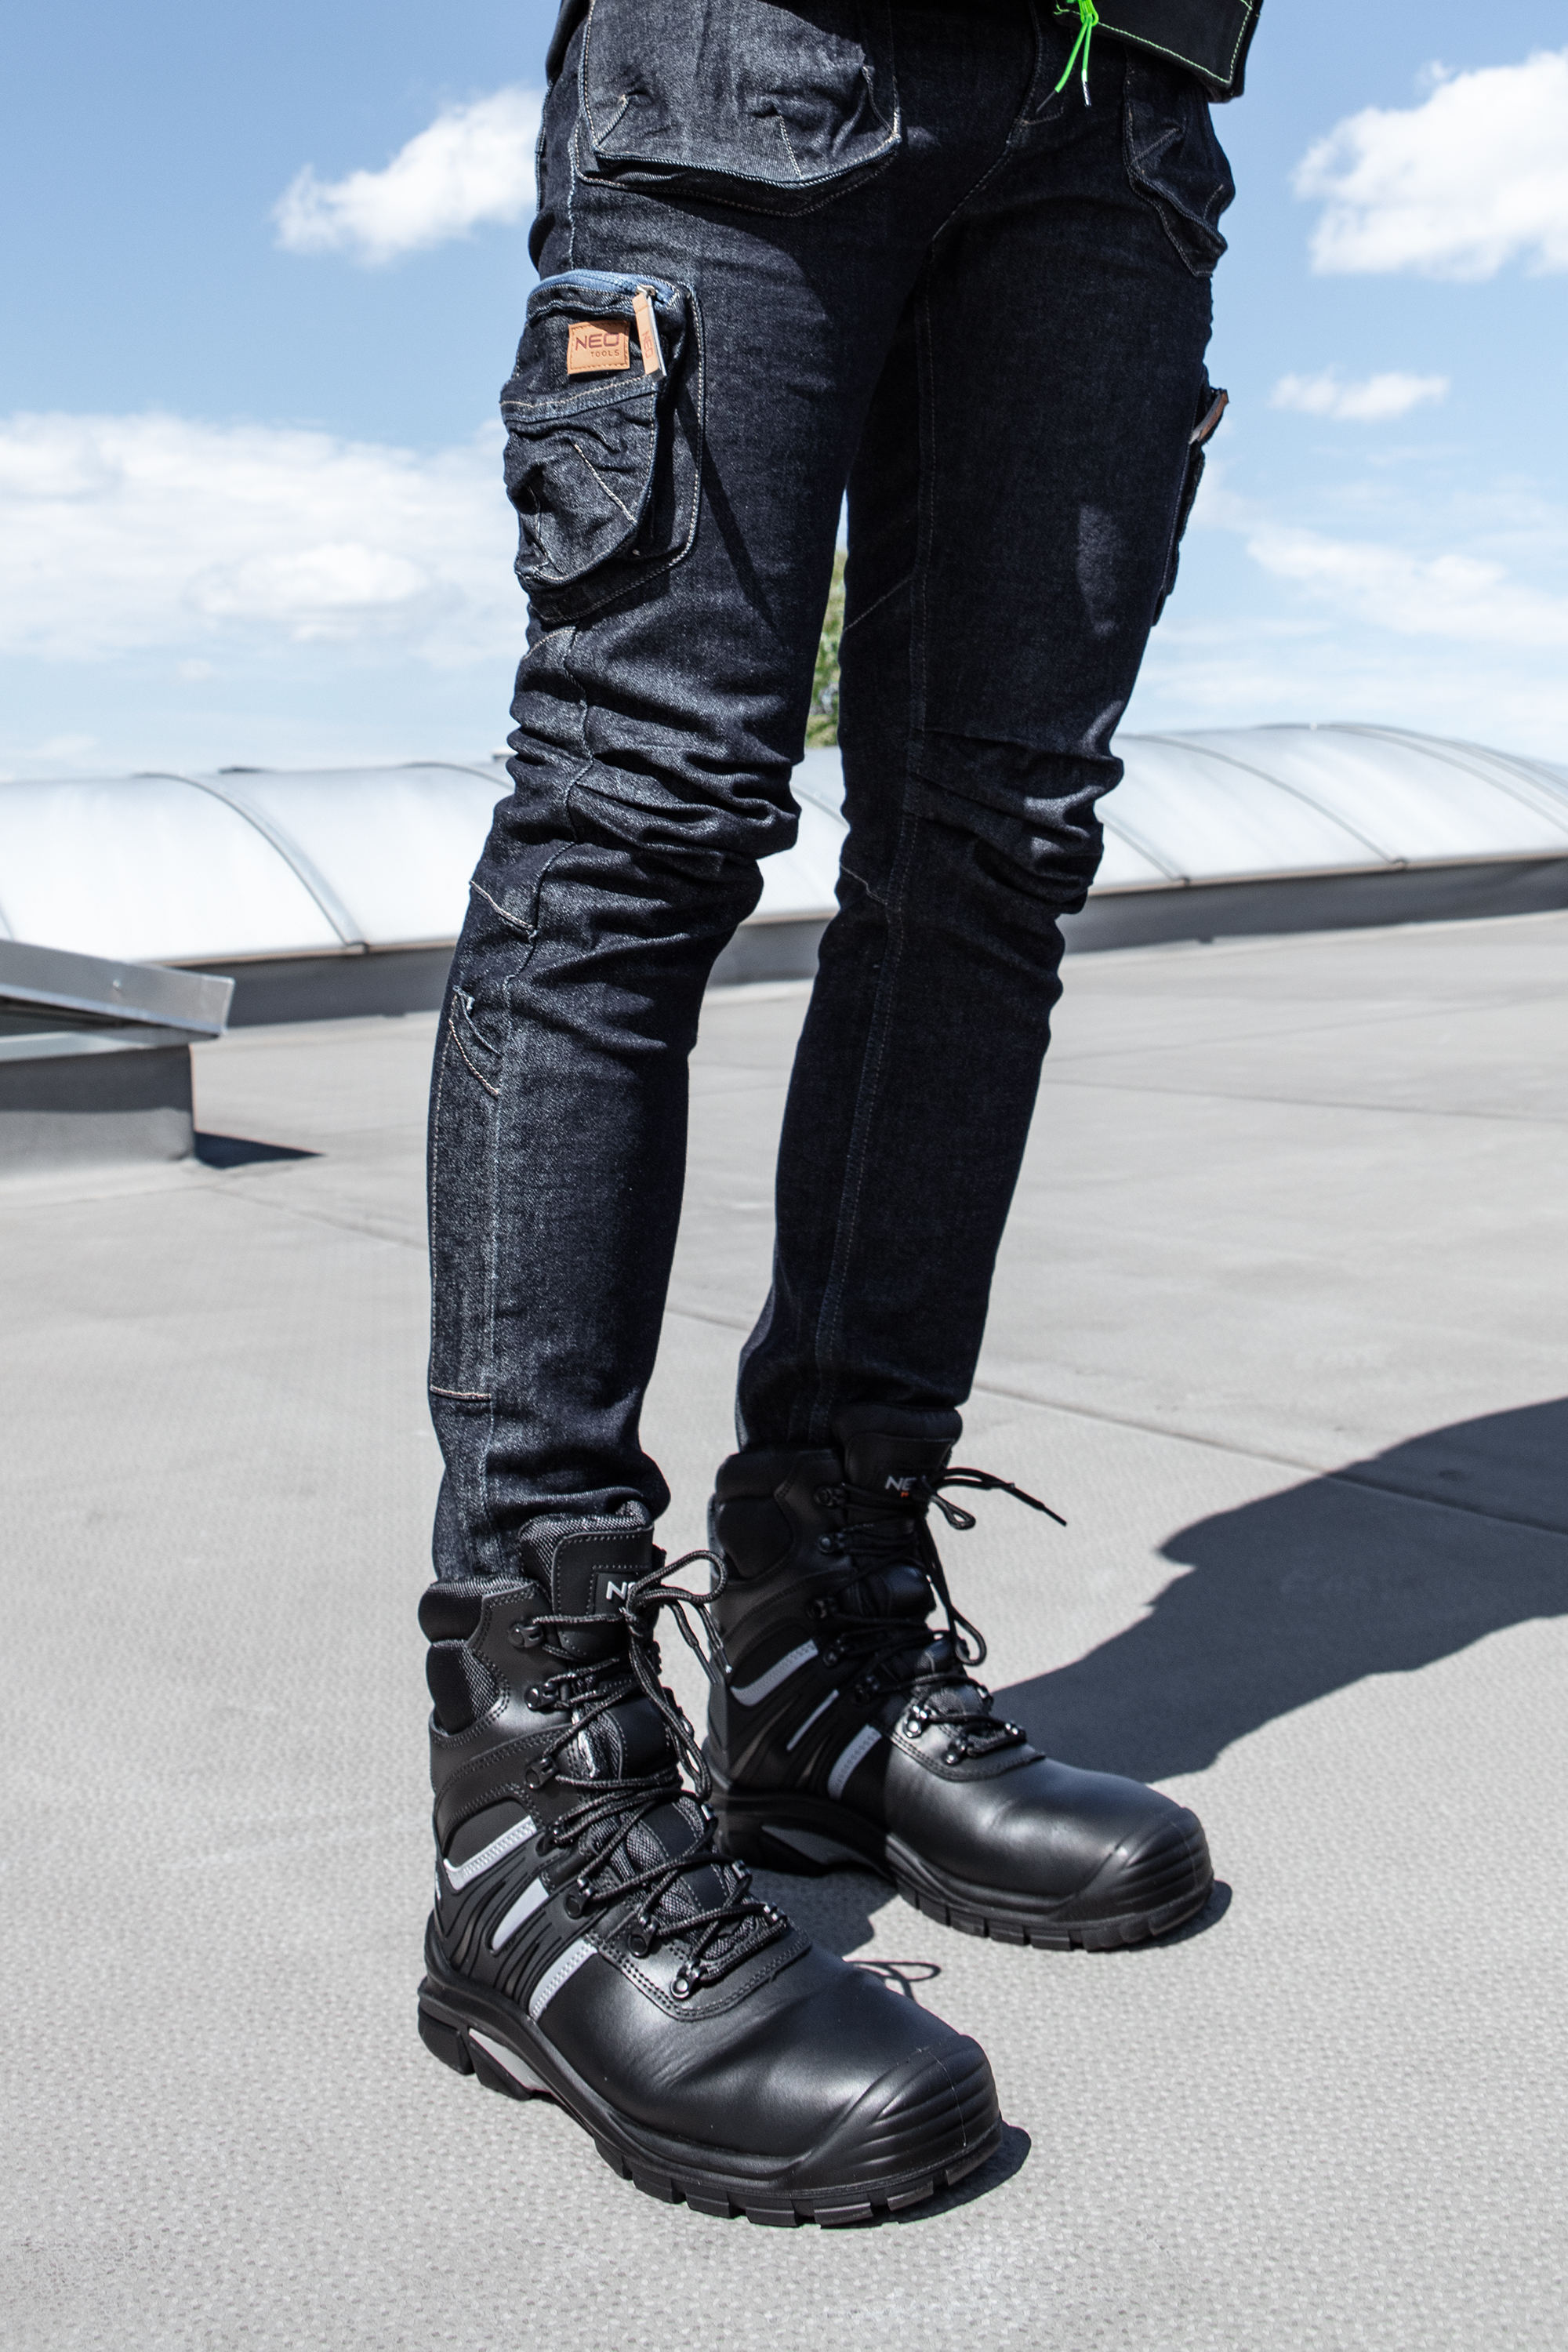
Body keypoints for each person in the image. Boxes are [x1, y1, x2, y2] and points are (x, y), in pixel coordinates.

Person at [416, 0, 1253, 2226]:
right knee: (642, 811)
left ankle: (828, 1659)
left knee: (994, 852)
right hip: (762, 55)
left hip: (1124, 96)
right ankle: (538, 1786)